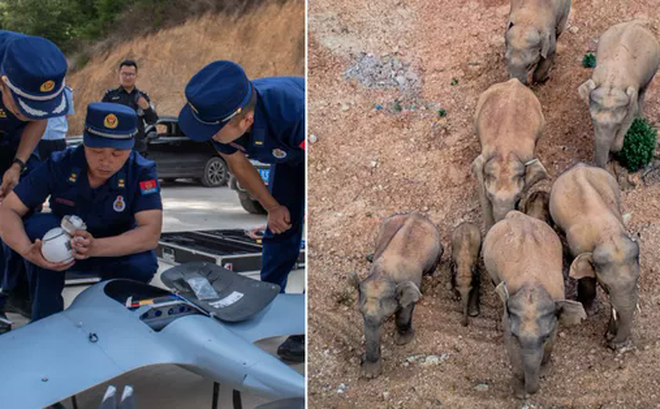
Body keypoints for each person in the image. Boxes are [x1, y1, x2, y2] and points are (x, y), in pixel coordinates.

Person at [178, 60, 305, 362]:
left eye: (211, 131)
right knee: (280, 228)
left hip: (316, 145)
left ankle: (305, 324)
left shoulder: (296, 110)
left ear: (246, 121)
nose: (204, 136)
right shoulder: (221, 115)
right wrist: (272, 207)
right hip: (289, 161)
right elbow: (238, 164)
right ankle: (264, 304)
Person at [0, 102, 163, 322]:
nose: (106, 161)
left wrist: (95, 247)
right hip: (64, 248)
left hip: (112, 248)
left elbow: (150, 233)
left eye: (117, 153)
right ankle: (46, 319)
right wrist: (28, 251)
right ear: (85, 142)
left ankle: (111, 316)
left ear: (131, 146)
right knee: (37, 229)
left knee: (143, 263)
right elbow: (8, 210)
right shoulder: (61, 163)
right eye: (97, 151)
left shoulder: (140, 171)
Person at [0, 30, 70, 332]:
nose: (26, 112)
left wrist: (18, 164)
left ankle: (15, 293)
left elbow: (38, 118)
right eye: (20, 107)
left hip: (15, 143)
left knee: (22, 215)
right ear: (4, 83)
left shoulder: (41, 66)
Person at [102, 60, 158, 157]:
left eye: (131, 74)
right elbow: (101, 120)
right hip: (115, 148)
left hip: (138, 149)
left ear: (136, 76)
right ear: (119, 74)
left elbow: (153, 120)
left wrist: (146, 107)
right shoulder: (110, 96)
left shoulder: (142, 96)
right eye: (124, 74)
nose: (127, 77)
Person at [38, 87, 74, 161]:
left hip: (58, 138)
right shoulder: (38, 90)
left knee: (58, 168)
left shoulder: (66, 91)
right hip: (40, 137)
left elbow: (67, 114)